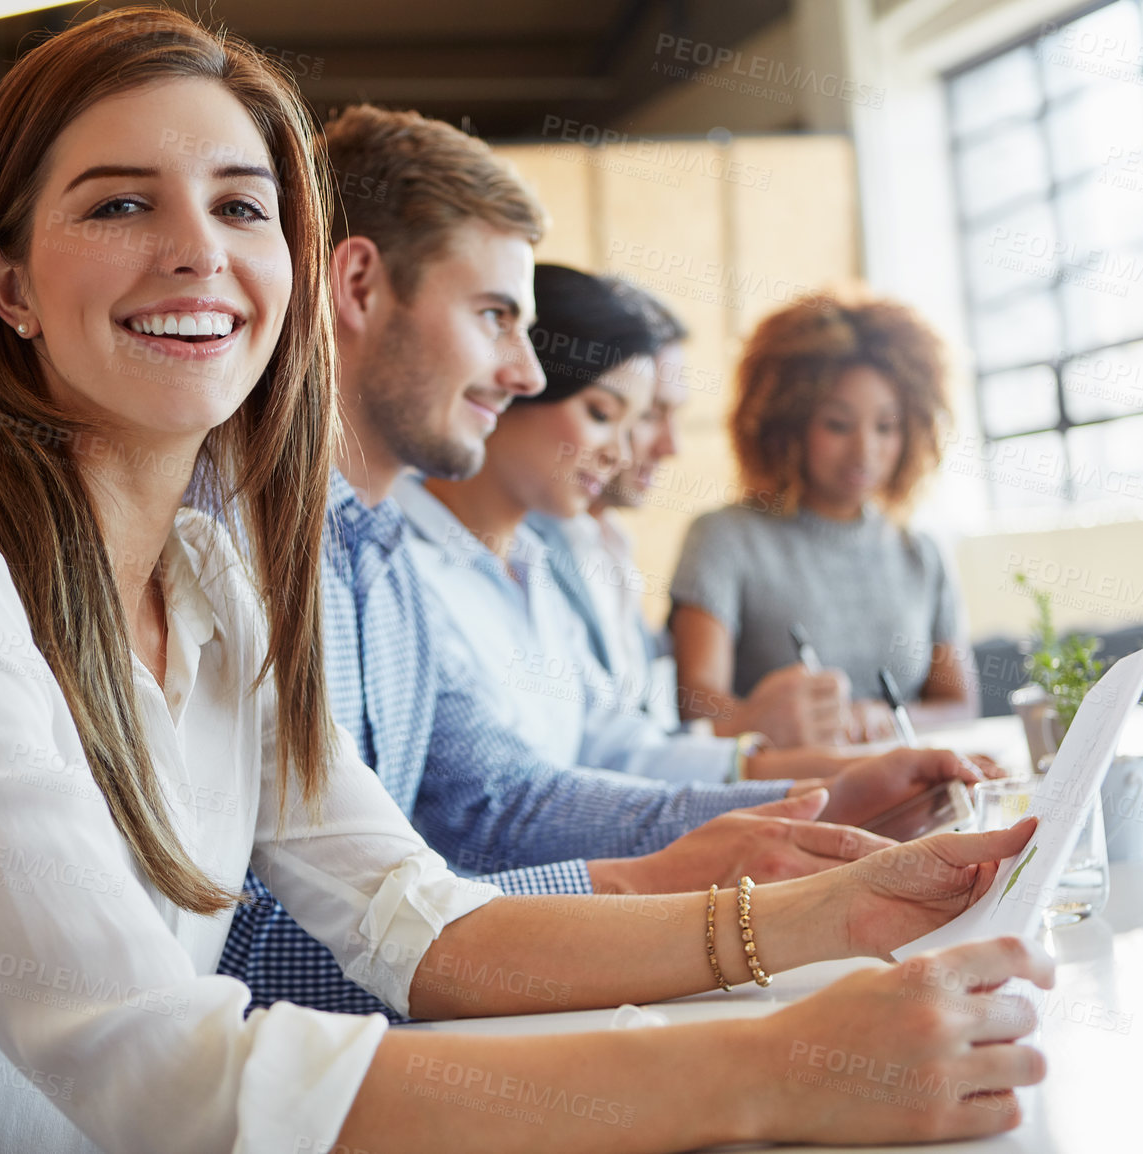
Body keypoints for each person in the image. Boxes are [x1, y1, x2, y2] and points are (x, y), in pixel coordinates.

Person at [0, 15, 1055, 1150]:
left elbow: (418, 919)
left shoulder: (231, 588)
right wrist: (769, 1069)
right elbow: (163, 1067)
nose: (198, 251)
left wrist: (826, 908)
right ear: (8, 287)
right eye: (120, 203)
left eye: (241, 206)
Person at [220, 108, 1000, 1017]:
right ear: (355, 285)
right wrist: (660, 891)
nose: (523, 371)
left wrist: (808, 798)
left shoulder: (374, 549)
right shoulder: (237, 549)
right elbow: (253, 956)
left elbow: (494, 801)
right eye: (495, 317)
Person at [399, 263, 847, 780]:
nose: (623, 451)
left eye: (634, 421)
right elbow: (506, 803)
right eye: (602, 414)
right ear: (516, 386)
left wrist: (815, 777)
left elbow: (610, 742)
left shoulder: (534, 564)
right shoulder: (404, 565)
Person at [526, 293, 853, 747]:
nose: (670, 446)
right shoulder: (524, 549)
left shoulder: (612, 545)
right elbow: (598, 755)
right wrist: (749, 727)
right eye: (646, 414)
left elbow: (642, 738)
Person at [671, 292, 981, 742]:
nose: (865, 451)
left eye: (886, 427)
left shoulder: (921, 553)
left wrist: (885, 721)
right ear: (788, 425)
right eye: (837, 425)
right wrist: (772, 720)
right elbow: (696, 706)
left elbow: (960, 706)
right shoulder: (724, 538)